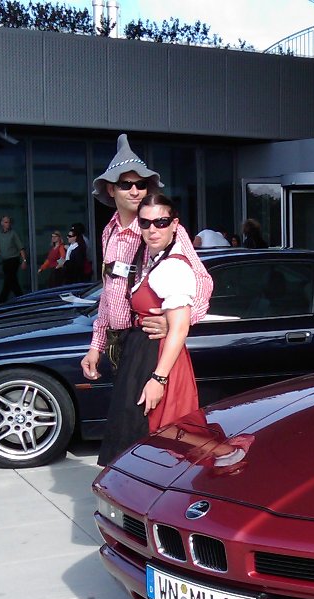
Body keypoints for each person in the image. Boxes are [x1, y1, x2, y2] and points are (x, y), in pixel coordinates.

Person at [80, 134, 212, 465]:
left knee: (153, 432)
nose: (135, 191)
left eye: (141, 184)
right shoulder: (110, 231)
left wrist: (176, 321)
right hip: (121, 346)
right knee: (127, 429)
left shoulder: (161, 231)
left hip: (148, 344)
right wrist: (97, 345)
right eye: (126, 184)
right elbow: (109, 293)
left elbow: (201, 281)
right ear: (111, 190)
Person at [97, 193, 200, 464]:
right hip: (141, 353)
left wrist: (158, 379)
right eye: (145, 223)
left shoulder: (174, 266)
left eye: (161, 222)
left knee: (161, 440)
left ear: (174, 224)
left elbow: (179, 329)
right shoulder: (151, 260)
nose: (153, 229)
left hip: (159, 359)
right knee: (137, 439)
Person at [0, 215, 27, 303]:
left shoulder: (13, 234)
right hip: (5, 261)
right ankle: (22, 300)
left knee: (10, 280)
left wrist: (24, 260)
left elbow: (21, 248)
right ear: (2, 223)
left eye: (9, 222)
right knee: (11, 282)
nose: (8, 224)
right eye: (6, 222)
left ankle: (1, 301)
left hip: (13, 260)